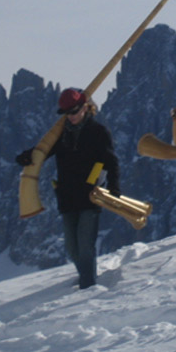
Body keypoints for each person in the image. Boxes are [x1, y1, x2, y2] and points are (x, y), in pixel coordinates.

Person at [16, 88, 120, 289]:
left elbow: (111, 161)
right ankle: (86, 279)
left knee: (85, 244)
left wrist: (114, 186)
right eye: (66, 113)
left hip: (90, 195)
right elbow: (44, 152)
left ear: (84, 108)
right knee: (72, 248)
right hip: (67, 197)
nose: (70, 117)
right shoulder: (61, 135)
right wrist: (28, 156)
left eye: (73, 112)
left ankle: (88, 285)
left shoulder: (98, 132)